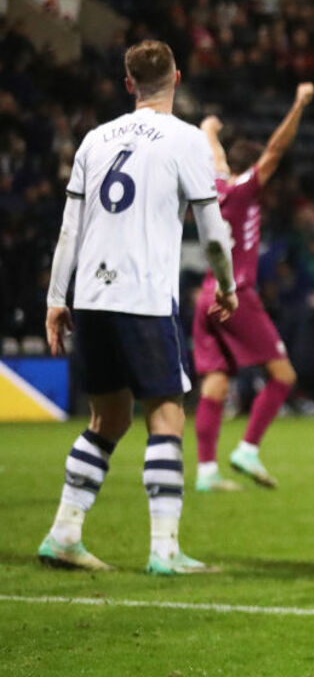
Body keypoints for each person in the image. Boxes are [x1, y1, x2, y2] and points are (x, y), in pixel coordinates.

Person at [38, 40, 239, 575]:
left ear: (128, 84)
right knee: (166, 415)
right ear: (177, 77)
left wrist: (58, 299)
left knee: (109, 416)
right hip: (143, 296)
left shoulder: (94, 140)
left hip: (93, 296)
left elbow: (70, 230)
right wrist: (228, 284)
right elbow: (212, 229)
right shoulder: (187, 140)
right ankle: (165, 550)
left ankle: (63, 533)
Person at [190, 82, 314, 492]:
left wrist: (208, 127)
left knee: (216, 381)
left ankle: (207, 473)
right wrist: (297, 103)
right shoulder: (246, 190)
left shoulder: (215, 187)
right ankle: (247, 448)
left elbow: (215, 156)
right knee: (282, 375)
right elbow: (276, 150)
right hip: (236, 293)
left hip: (206, 296)